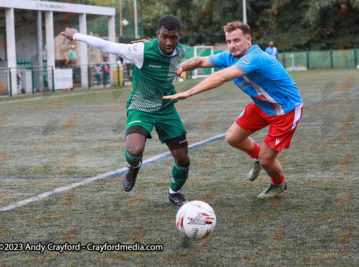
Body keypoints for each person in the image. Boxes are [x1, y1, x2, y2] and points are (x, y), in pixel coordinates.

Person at [164, 21, 303, 199]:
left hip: (285, 111)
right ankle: (257, 158)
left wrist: (189, 92)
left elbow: (221, 76)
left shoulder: (255, 57)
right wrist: (182, 66)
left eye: (236, 40)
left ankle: (278, 183)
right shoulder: (230, 55)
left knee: (267, 160)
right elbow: (200, 61)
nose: (232, 45)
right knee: (233, 138)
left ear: (248, 39)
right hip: (262, 105)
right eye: (229, 41)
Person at [61, 15, 190, 206]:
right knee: (135, 149)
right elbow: (109, 46)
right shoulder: (140, 51)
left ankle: (174, 192)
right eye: (164, 37)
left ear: (179, 36)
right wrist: (77, 35)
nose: (169, 41)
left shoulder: (181, 52)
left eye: (173, 37)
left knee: (183, 160)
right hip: (141, 106)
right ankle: (134, 166)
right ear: (158, 34)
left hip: (166, 107)